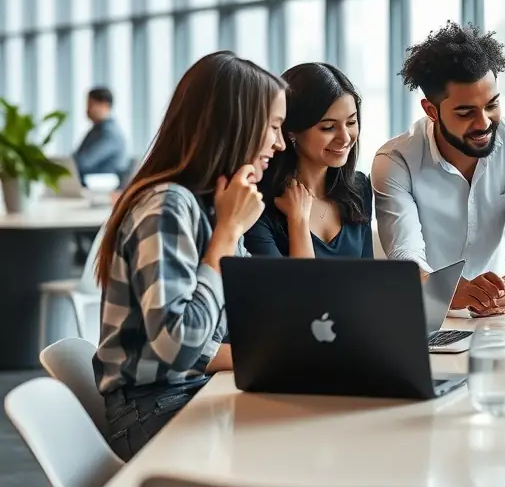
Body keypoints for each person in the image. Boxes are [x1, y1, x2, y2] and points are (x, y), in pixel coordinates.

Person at [93, 51, 286, 460]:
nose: (280, 143)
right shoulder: (167, 206)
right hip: (154, 411)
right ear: (238, 126)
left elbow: (236, 325)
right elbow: (179, 346)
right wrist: (228, 234)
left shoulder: (213, 205)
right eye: (273, 127)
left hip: (184, 395)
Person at [371, 21, 505, 317]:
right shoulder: (395, 160)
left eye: (492, 105)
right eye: (466, 112)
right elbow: (405, 256)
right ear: (432, 111)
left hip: (496, 314)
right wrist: (449, 291)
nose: (483, 123)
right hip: (422, 314)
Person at [245, 63, 373, 259]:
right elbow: (293, 289)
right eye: (328, 127)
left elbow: (367, 279)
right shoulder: (257, 202)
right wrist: (298, 222)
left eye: (351, 122)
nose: (345, 137)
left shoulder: (358, 188)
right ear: (292, 131)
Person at [73, 87, 128, 182]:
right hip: (88, 183)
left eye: (91, 105)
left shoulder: (111, 134)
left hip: (102, 186)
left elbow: (84, 162)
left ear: (104, 105)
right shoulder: (95, 130)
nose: (87, 110)